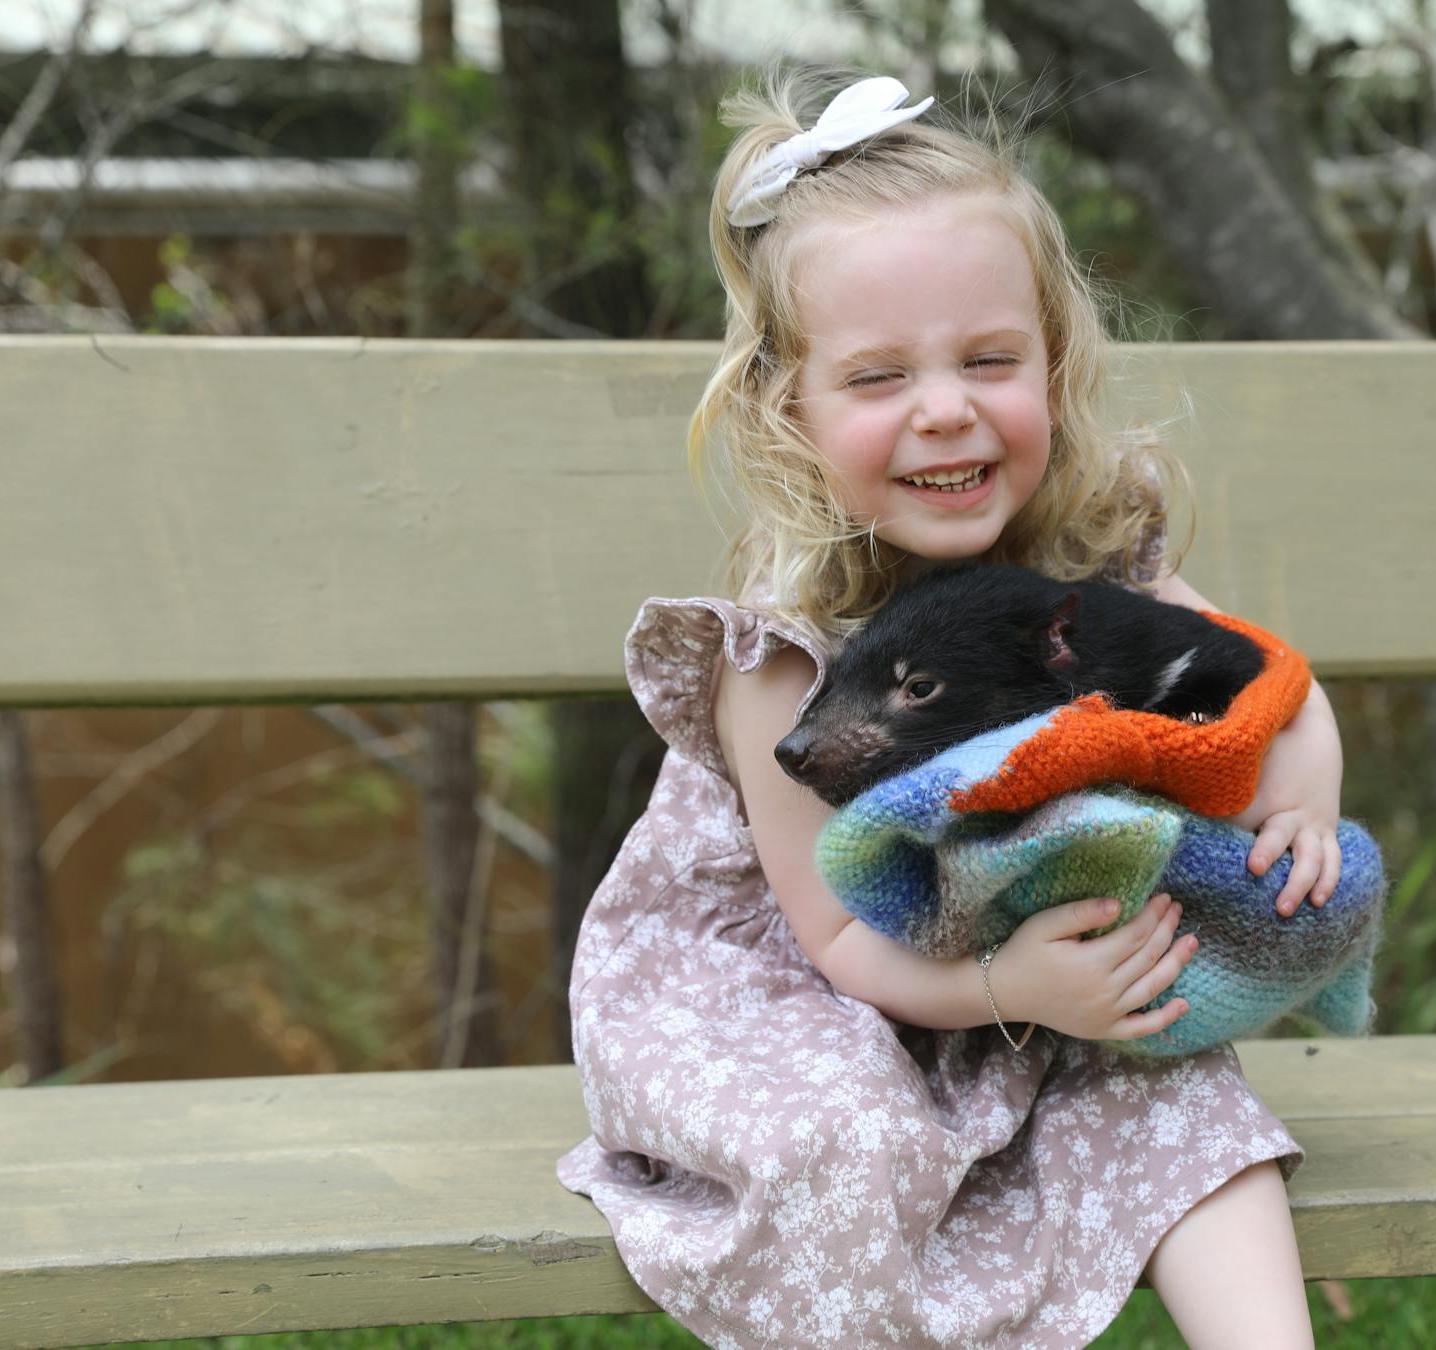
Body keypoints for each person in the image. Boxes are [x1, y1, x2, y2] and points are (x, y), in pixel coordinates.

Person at [558, 66, 1345, 1349]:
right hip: (810, 996)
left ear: (1055, 358)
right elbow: (837, 941)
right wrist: (1007, 982)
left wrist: (1302, 798)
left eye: (990, 359)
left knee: (1180, 1093)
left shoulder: (1097, 559)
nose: (945, 409)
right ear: (786, 406)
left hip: (1046, 959)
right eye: (877, 379)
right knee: (841, 1135)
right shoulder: (783, 650)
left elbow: (1269, 691)